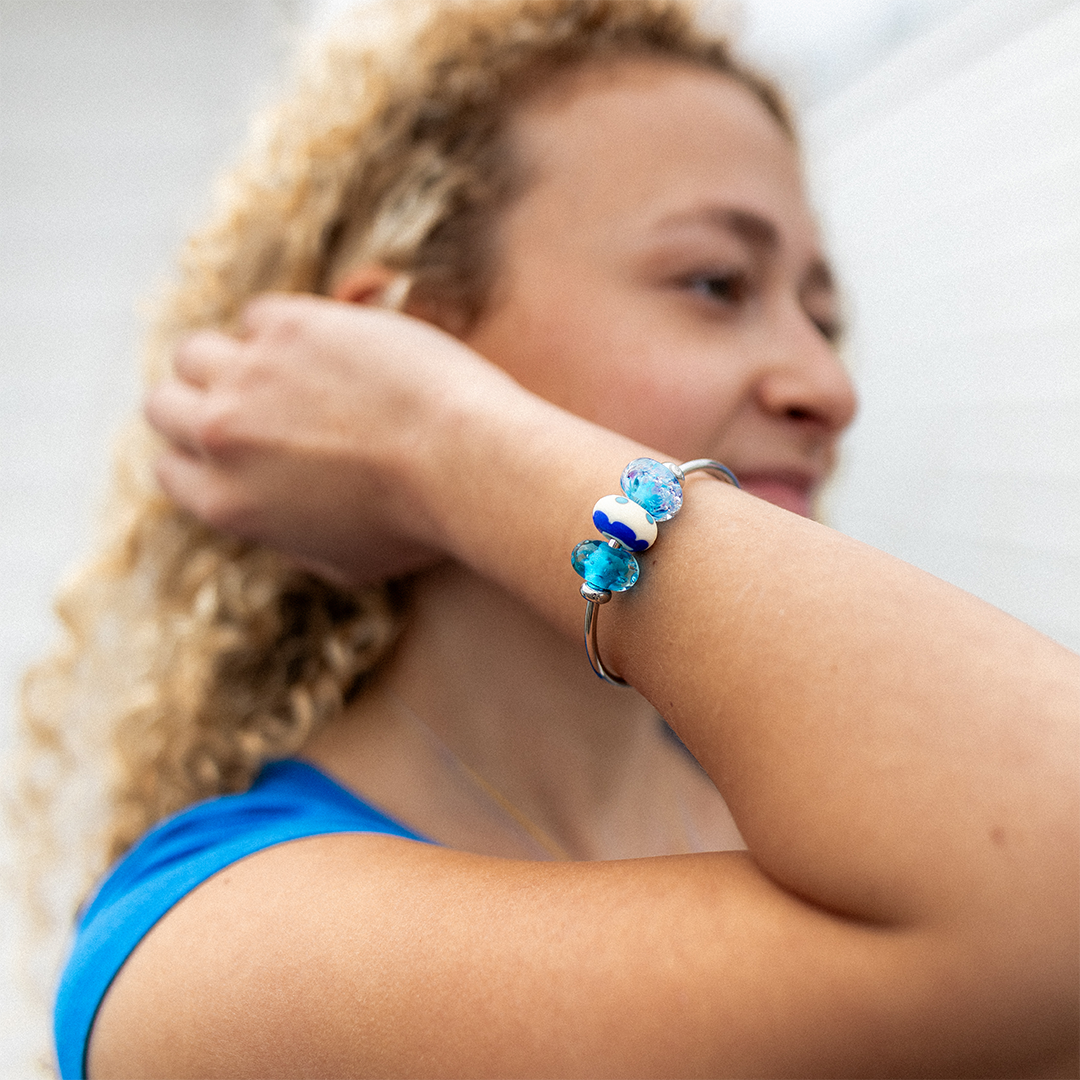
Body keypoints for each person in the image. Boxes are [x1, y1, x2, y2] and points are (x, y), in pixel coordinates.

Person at [29, 0, 1080, 1076]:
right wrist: (430, 431)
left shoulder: (832, 807)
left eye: (825, 317)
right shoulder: (212, 950)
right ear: (401, 341)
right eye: (716, 283)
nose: (828, 385)